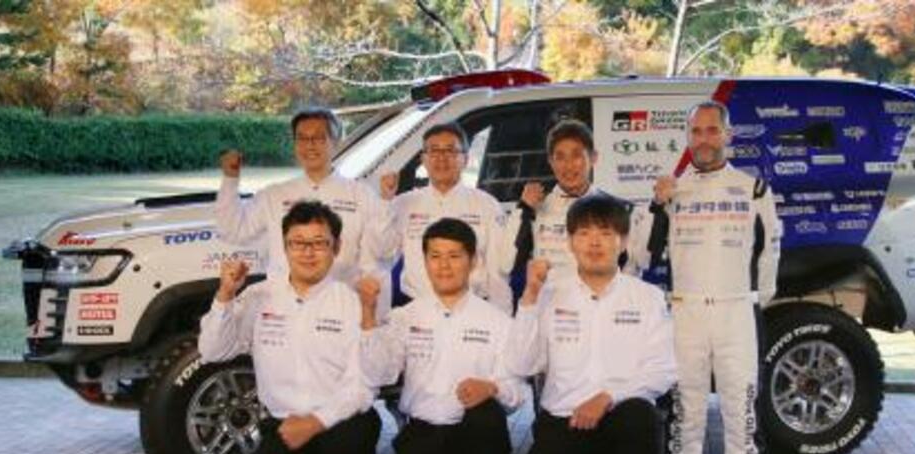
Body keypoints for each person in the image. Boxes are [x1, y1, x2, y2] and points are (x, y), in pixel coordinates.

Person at [198, 201, 381, 454]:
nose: (308, 252)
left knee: (359, 430)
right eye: (298, 243)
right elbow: (212, 351)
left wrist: (315, 422)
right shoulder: (259, 296)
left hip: (337, 423)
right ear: (284, 247)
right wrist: (225, 295)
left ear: (336, 247)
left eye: (319, 243)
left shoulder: (351, 302)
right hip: (284, 427)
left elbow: (364, 384)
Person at [509, 194, 676, 454]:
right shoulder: (549, 294)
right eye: (584, 233)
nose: (595, 242)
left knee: (643, 418)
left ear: (624, 241)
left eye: (605, 232)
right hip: (564, 420)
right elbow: (521, 364)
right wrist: (530, 298)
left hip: (619, 419)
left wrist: (607, 396)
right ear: (570, 242)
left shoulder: (647, 297)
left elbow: (663, 369)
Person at [359, 218, 523, 454]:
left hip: (474, 433)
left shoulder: (497, 321)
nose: (444, 266)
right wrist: (369, 316)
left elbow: (517, 392)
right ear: (425, 261)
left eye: (454, 256)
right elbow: (379, 373)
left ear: (473, 261)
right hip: (424, 432)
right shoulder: (406, 316)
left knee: (486, 416)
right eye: (435, 256)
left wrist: (491, 387)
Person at [648, 100, 781, 454]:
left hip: (735, 311)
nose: (704, 139)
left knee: (741, 409)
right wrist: (658, 205)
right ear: (688, 138)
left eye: (711, 130)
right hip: (685, 312)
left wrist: (755, 299)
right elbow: (644, 254)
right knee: (685, 411)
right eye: (696, 131)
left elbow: (769, 253)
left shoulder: (753, 189)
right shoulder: (672, 190)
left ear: (728, 135)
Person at [216, 106, 395, 298]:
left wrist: (386, 201)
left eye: (318, 138)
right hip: (284, 303)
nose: (310, 145)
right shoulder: (274, 195)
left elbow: (384, 250)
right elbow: (233, 230)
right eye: (302, 138)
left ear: (336, 142)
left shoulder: (361, 194)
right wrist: (230, 179)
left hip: (341, 303)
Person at [376, 122, 511, 310]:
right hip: (418, 310)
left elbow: (498, 272)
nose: (441, 158)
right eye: (434, 151)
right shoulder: (402, 203)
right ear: (423, 159)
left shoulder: (487, 205)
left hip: (472, 309)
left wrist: (501, 317)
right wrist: (385, 202)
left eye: (450, 150)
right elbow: (383, 252)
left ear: (465, 159)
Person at [500, 119, 648, 282]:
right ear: (550, 161)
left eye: (576, 156)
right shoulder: (533, 210)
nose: (568, 166)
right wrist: (524, 209)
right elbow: (507, 265)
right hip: (551, 297)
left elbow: (638, 265)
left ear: (593, 158)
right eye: (560, 157)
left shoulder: (619, 210)